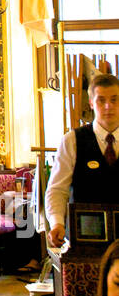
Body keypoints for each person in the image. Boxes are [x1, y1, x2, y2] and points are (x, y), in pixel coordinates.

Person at [46, 72, 119, 248]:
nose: (108, 106)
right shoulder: (72, 140)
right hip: (85, 238)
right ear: (91, 104)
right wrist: (57, 223)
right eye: (101, 100)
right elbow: (57, 190)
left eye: (115, 99)